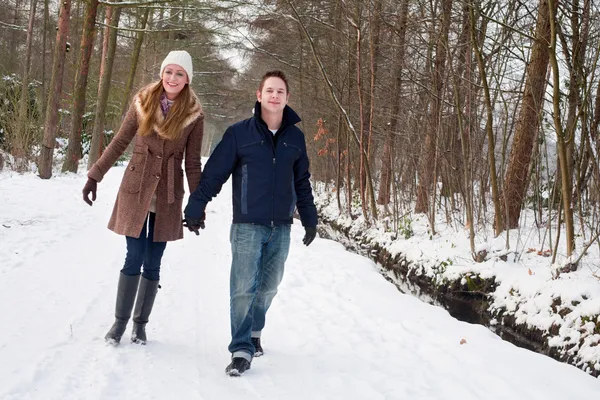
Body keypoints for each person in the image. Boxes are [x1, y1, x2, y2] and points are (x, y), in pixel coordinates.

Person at [183, 70, 318, 376]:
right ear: (259, 95)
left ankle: (255, 330)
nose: (274, 96)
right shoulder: (239, 134)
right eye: (269, 90)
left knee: (268, 288)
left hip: (281, 226)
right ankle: (241, 349)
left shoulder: (295, 138)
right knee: (243, 288)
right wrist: (196, 205)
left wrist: (309, 218)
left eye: (280, 91)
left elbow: (302, 181)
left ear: (287, 98)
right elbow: (215, 173)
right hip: (246, 226)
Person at [82, 50, 204, 345]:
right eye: (169, 71)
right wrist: (94, 175)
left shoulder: (194, 115)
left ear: (187, 79)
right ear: (162, 73)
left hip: (168, 194)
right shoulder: (143, 102)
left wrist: (197, 204)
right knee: (134, 256)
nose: (172, 78)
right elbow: (120, 141)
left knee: (153, 261)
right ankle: (119, 324)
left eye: (179, 74)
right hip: (136, 189)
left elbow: (192, 163)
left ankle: (140, 325)